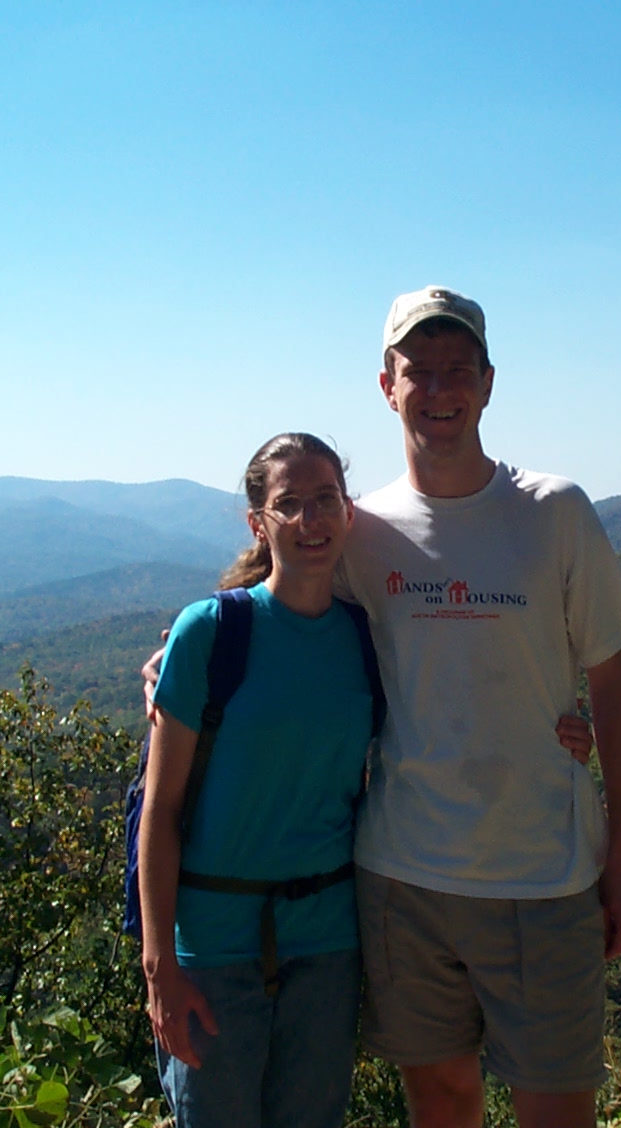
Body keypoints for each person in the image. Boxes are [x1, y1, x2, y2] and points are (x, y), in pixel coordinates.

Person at [340, 285, 621, 1128]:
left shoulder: (554, 512)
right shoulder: (359, 529)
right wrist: (183, 652)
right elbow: (277, 614)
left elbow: (614, 690)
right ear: (386, 385)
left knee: (557, 1107)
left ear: (487, 382)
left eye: (456, 370)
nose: (438, 391)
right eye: (419, 371)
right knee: (440, 1102)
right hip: (403, 871)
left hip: (545, 871)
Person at [138, 432, 374, 1128]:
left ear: (348, 510)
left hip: (327, 944)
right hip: (212, 948)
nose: (310, 520)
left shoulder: (364, 637)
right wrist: (159, 969)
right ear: (258, 523)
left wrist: (568, 728)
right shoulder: (211, 632)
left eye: (325, 499)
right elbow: (163, 811)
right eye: (289, 504)